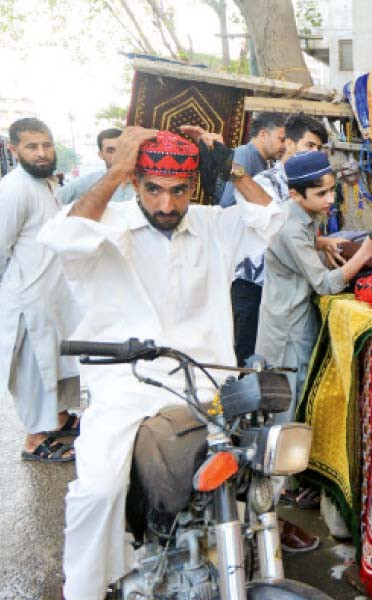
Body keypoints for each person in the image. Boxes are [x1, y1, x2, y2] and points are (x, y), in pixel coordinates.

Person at [37, 125, 314, 600]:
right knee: (99, 489)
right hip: (126, 384)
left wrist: (232, 168)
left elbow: (272, 220)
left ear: (193, 188)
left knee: (256, 478)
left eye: (178, 191)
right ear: (135, 182)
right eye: (154, 189)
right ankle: (80, 588)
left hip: (206, 383)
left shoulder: (210, 223)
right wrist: (118, 168)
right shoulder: (110, 219)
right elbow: (61, 237)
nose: (167, 205)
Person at [255, 150, 372, 426]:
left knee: (296, 396)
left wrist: (321, 242)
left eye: (331, 190)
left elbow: (299, 239)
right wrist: (366, 251)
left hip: (291, 316)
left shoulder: (300, 212)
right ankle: (281, 469)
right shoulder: (290, 226)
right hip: (287, 328)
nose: (330, 199)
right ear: (295, 194)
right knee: (286, 403)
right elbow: (325, 284)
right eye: (321, 194)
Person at [0, 117, 81, 463]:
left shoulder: (47, 185)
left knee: (56, 363)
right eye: (32, 147)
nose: (42, 153)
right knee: (36, 370)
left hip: (52, 296)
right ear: (13, 149)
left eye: (46, 144)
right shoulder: (14, 188)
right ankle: (35, 441)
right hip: (29, 297)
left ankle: (59, 420)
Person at [229, 113, 333, 369]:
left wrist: (320, 243)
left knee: (280, 367)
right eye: (309, 145)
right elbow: (280, 230)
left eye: (319, 148)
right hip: (254, 286)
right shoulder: (264, 183)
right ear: (288, 143)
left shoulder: (310, 184)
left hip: (283, 290)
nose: (314, 152)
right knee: (251, 365)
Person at [217, 111, 286, 207]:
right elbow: (228, 203)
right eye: (282, 140)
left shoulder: (261, 161)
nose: (284, 146)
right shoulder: (245, 154)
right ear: (263, 135)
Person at [57, 128, 136, 204]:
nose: (117, 156)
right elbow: (55, 200)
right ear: (101, 155)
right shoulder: (90, 181)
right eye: (111, 151)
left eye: (121, 149)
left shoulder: (143, 182)